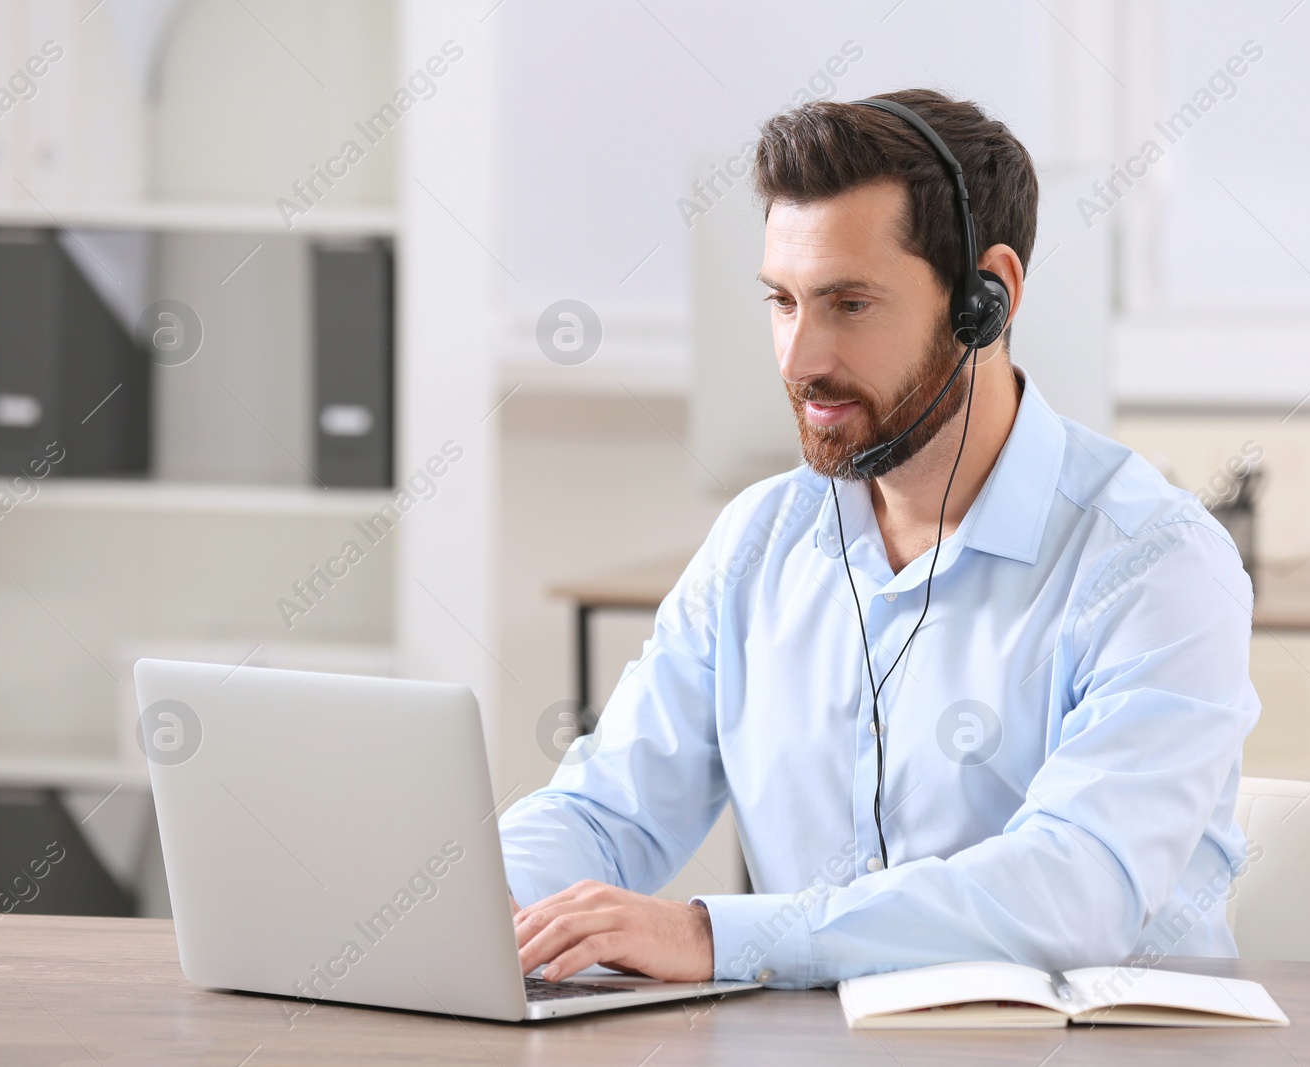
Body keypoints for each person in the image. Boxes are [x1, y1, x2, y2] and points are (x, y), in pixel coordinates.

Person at [499, 88, 1260, 989]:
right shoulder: (760, 541)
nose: (797, 357)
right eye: (783, 301)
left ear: (989, 298)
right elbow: (605, 811)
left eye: (849, 305)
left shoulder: (1154, 561)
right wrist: (479, 911)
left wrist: (713, 937)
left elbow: (1074, 890)